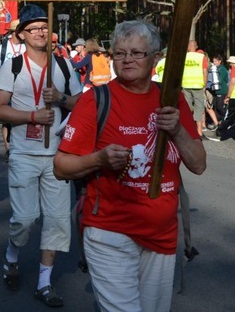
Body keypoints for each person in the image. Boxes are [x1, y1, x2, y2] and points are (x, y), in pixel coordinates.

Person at [54, 20, 206, 312]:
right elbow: (61, 166)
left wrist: (177, 130)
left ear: (155, 58)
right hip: (109, 232)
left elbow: (198, 165)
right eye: (120, 53)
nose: (127, 60)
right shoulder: (95, 101)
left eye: (136, 53)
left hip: (161, 234)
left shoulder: (172, 100)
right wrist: (98, 159)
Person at [0, 4, 82, 307]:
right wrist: (31, 116)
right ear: (22, 35)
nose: (41, 31)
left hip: (58, 156)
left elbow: (81, 105)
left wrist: (61, 98)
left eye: (44, 26)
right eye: (34, 28)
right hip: (24, 154)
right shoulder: (12, 66)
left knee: (57, 221)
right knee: (25, 218)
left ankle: (44, 284)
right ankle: (11, 257)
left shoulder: (64, 66)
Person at [0, 20, 26, 161]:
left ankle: (20, 148)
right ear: (14, 31)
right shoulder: (3, 48)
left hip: (23, 90)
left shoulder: (27, 46)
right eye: (20, 30)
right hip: (6, 90)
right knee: (6, 121)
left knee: (21, 119)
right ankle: (8, 149)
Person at [181, 39, 209, 136]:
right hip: (198, 85)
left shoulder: (184, 56)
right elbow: (205, 73)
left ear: (188, 47)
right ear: (196, 46)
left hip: (186, 84)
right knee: (199, 108)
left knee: (187, 107)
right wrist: (205, 85)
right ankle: (199, 131)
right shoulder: (201, 57)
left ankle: (187, 128)